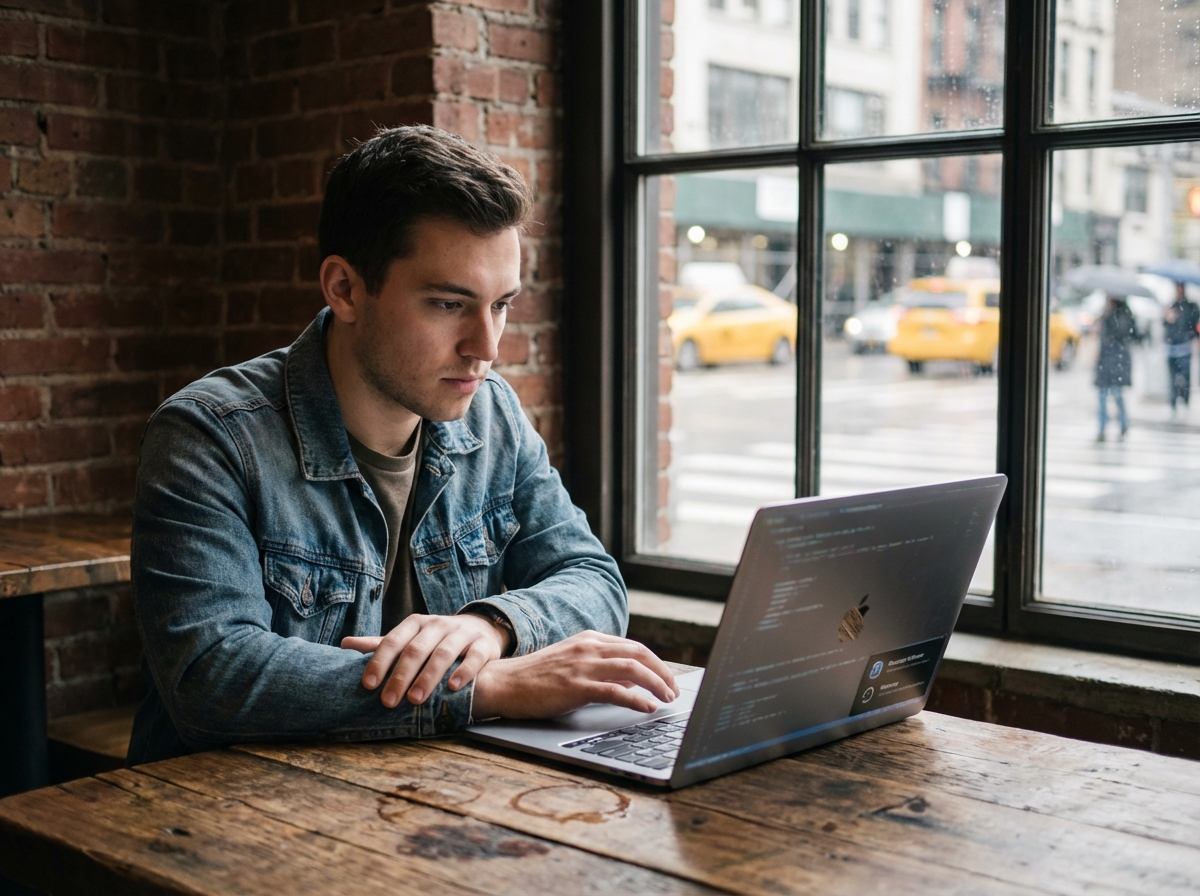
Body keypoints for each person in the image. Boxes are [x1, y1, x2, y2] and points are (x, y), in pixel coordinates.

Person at [127, 126, 678, 764]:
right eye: (449, 304)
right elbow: (213, 678)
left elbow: (592, 579)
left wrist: (489, 627)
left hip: (428, 799)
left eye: (501, 305)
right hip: (224, 819)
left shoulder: (492, 413)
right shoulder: (209, 436)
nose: (487, 347)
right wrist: (483, 686)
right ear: (345, 289)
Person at [1094, 294, 1138, 442]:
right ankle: (1102, 428)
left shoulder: (1123, 316)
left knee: (1116, 395)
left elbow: (1125, 335)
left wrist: (1107, 318)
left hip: (1117, 362)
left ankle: (1123, 425)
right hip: (1107, 362)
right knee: (1103, 396)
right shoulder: (1107, 315)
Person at [1162, 282, 1200, 417]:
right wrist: (1168, 318)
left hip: (1184, 346)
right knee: (1172, 377)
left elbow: (1194, 324)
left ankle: (1185, 401)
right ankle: (1173, 403)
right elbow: (1165, 325)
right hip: (1172, 346)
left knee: (1184, 377)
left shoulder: (1191, 306)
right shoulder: (1171, 306)